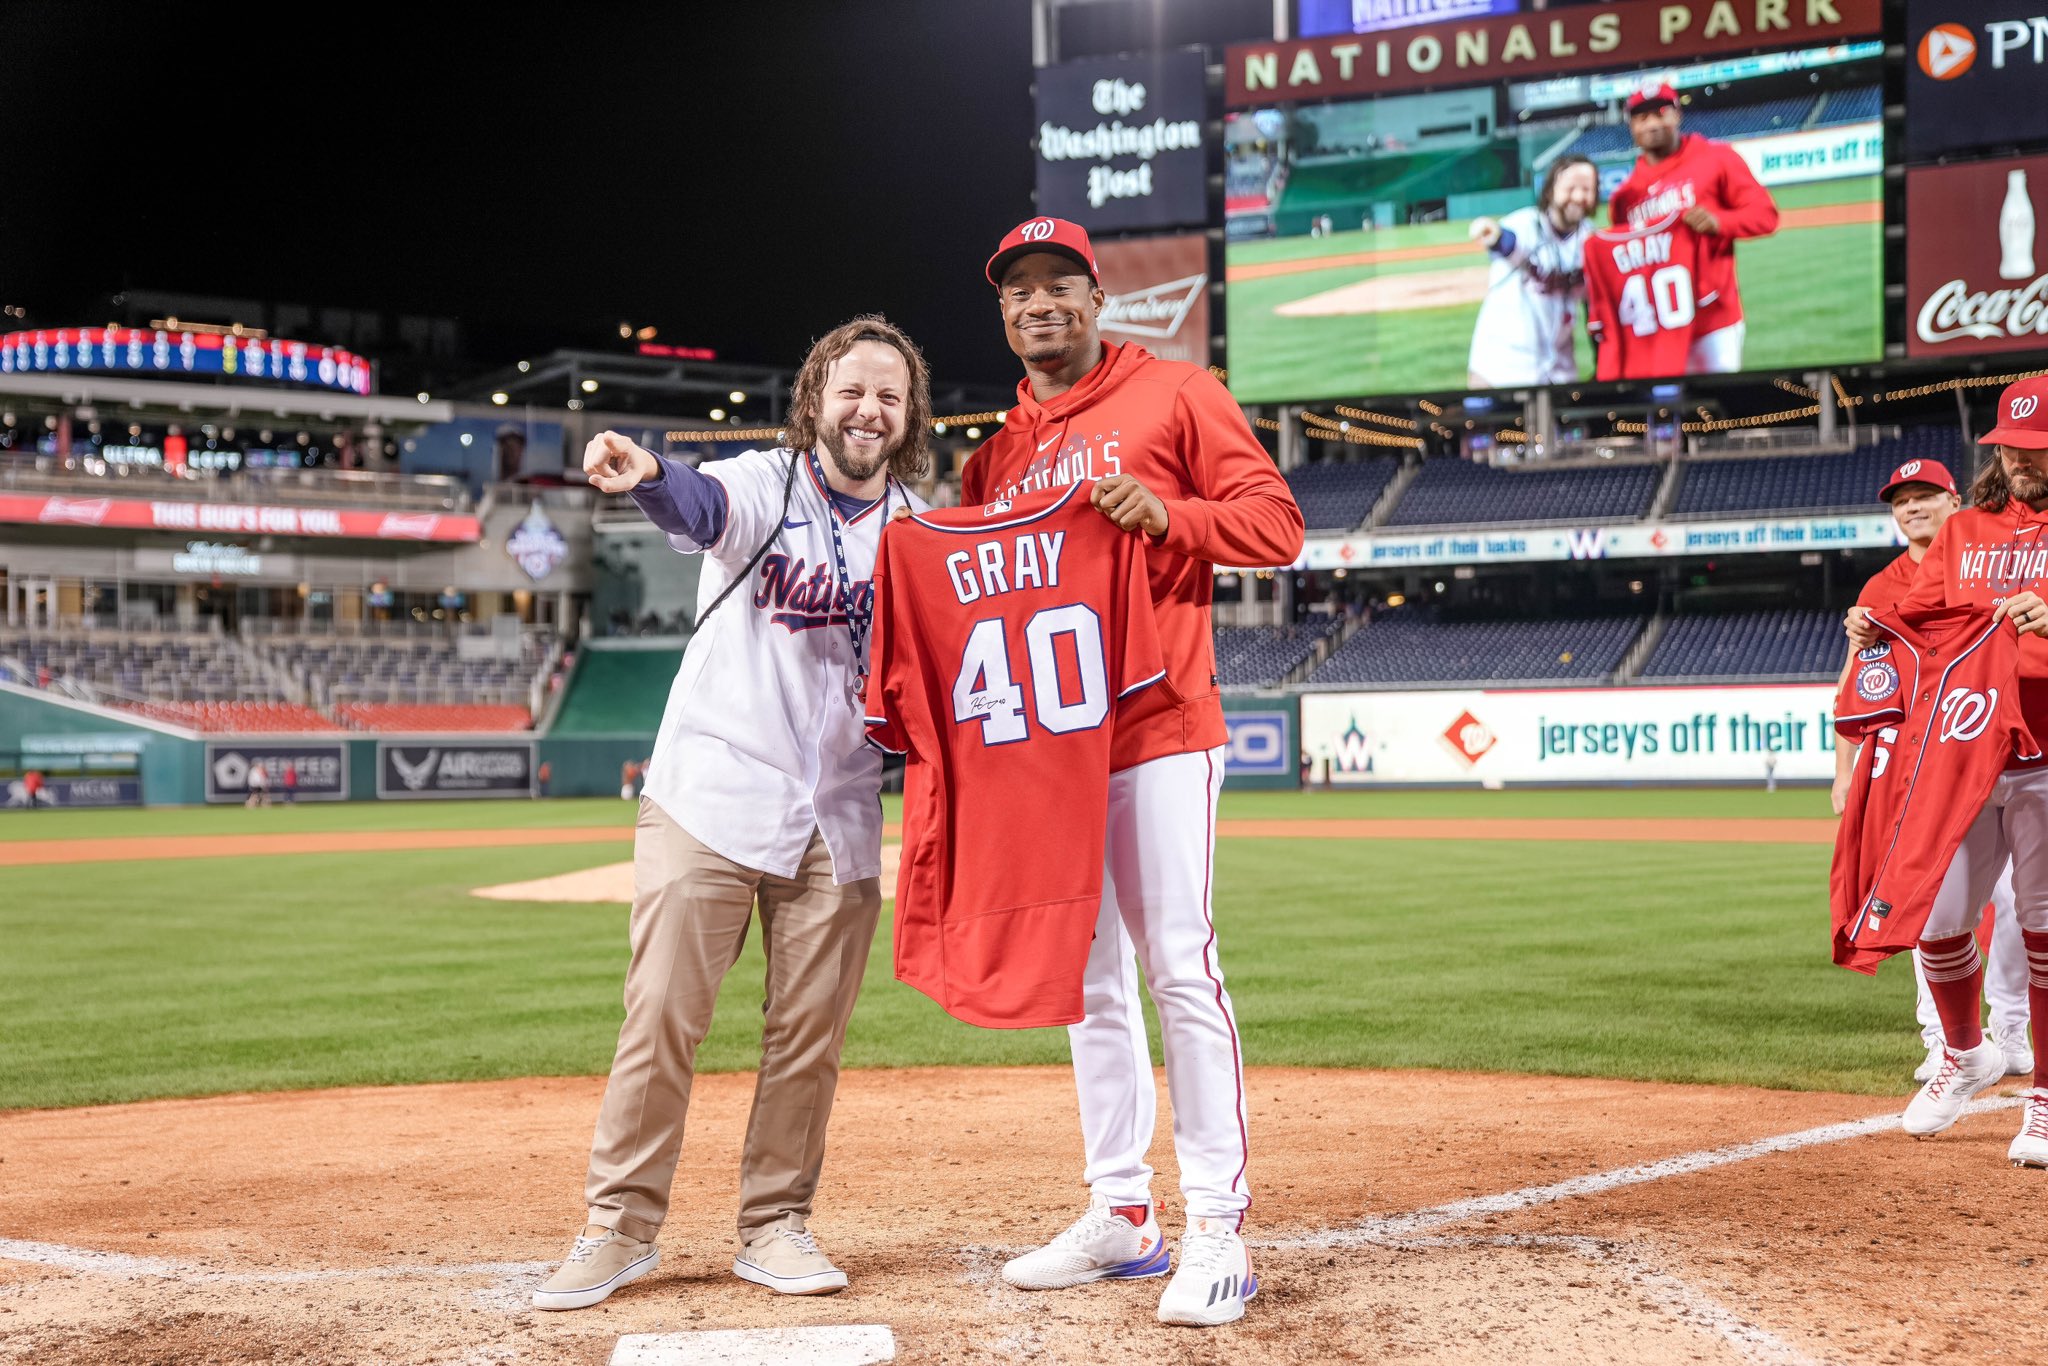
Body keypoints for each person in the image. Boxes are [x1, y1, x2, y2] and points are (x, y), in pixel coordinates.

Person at [531, 317, 931, 1310]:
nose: (868, 410)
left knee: (807, 1037)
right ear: (815, 400)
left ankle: (775, 1224)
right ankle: (617, 1227)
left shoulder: (922, 533)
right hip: (711, 791)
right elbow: (697, 501)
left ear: (909, 414)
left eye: (888, 394)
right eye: (851, 391)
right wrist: (646, 471)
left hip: (837, 814)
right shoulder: (767, 483)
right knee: (663, 1013)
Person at [962, 217, 1305, 1327]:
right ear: (1004, 315)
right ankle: (1120, 1211)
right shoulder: (994, 454)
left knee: (1178, 965)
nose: (1040, 305)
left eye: (1061, 285)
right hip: (1050, 756)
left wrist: (1169, 515)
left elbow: (1277, 524)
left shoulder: (1174, 392)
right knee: (1087, 981)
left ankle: (1215, 1224)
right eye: (1020, 293)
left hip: (1159, 725)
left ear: (1096, 300)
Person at [1890, 377, 2048, 1166]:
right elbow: (1920, 615)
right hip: (1969, 747)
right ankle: (1966, 1052)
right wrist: (1872, 621)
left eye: (2036, 448)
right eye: (2010, 445)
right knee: (1939, 917)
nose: (2019, 458)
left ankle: (2046, 1100)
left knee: (2043, 927)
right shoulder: (1966, 529)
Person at [1838, 460, 2032, 1086]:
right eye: (1902, 500)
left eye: (1925, 496)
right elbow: (1857, 677)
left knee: (2013, 903)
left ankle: (2009, 1024)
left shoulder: (1992, 548)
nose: (1912, 508)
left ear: (1956, 501)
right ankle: (1944, 1039)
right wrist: (1845, 770)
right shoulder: (1883, 583)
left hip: (2010, 741)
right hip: (1927, 751)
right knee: (1929, 897)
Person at [1606, 82, 1779, 375]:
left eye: (1660, 112)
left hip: (1714, 323)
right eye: (1641, 116)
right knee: (1665, 416)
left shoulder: (1716, 158)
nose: (1652, 123)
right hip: (1659, 328)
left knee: (1719, 413)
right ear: (1631, 125)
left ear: (1677, 115)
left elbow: (1766, 216)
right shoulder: (1624, 196)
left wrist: (1720, 223)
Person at [1466, 155, 1600, 388]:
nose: (1579, 196)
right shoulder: (1525, 223)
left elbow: (1596, 307)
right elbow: (1507, 242)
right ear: (1550, 191)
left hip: (1559, 372)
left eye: (1587, 189)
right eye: (1571, 188)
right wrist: (1494, 234)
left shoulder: (1591, 239)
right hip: (1501, 368)